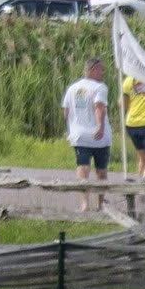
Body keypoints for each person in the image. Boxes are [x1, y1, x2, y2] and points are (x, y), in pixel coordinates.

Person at [61, 58, 110, 212]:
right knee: (101, 170)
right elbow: (98, 107)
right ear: (92, 70)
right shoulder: (99, 87)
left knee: (82, 167)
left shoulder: (72, 88)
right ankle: (101, 204)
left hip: (79, 135)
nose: (102, 73)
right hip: (98, 137)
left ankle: (84, 203)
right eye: (100, 70)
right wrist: (99, 126)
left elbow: (65, 112)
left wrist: (71, 128)